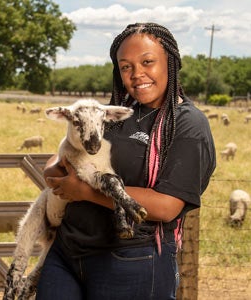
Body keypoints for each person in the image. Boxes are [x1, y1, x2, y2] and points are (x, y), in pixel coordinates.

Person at [36, 22, 216, 300]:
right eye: (125, 67)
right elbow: (72, 153)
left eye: (147, 62)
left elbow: (168, 206)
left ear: (171, 62)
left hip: (132, 259)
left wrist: (83, 191)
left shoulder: (188, 124)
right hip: (67, 253)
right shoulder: (118, 112)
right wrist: (53, 169)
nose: (136, 74)